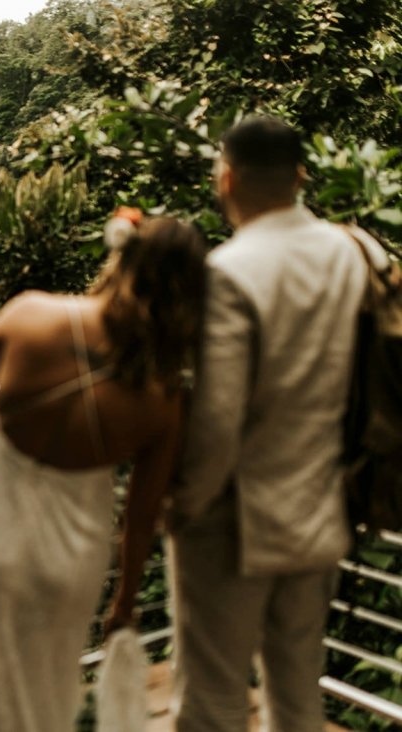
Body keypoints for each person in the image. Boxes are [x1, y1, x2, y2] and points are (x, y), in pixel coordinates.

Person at [0, 214, 208, 731]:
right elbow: (140, 516)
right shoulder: (162, 399)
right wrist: (124, 601)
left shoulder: (33, 316)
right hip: (68, 561)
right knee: (39, 694)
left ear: (120, 257)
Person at [168, 116, 375, 731]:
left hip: (234, 521)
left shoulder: (230, 271)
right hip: (319, 506)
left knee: (213, 702)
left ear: (225, 177)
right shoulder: (351, 251)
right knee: (297, 696)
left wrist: (182, 506)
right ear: (301, 177)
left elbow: (216, 418)